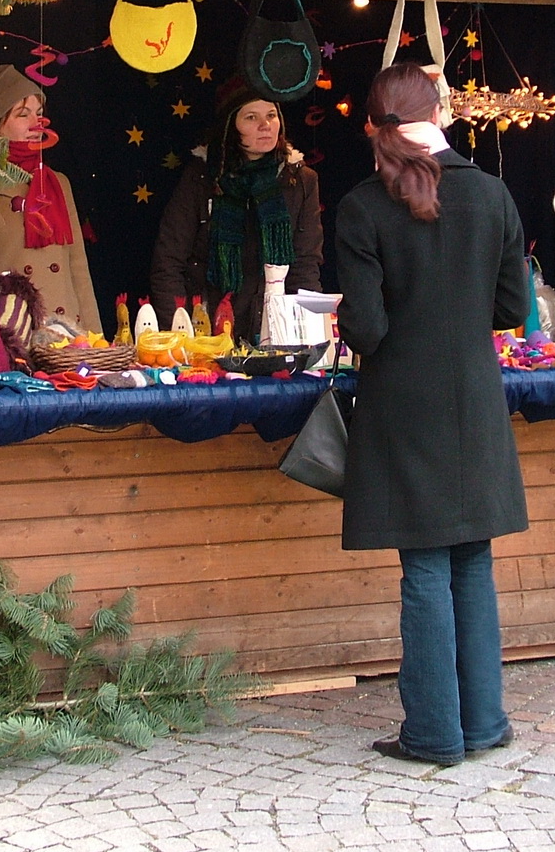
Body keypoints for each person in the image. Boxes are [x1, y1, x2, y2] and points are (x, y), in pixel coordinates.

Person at [333, 62, 530, 766]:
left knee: (423, 565)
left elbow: (369, 328)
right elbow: (511, 310)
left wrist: (345, 319)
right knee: (471, 558)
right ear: (439, 112)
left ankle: (433, 735)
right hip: (474, 396)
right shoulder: (491, 193)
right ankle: (480, 724)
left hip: (400, 401)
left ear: (371, 127)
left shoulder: (360, 206)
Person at [151, 81, 324, 344]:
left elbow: (305, 264)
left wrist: (307, 336)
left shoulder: (300, 180)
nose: (265, 125)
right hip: (206, 330)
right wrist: (182, 335)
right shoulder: (201, 177)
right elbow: (168, 262)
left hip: (273, 329)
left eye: (271, 115)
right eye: (251, 117)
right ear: (231, 125)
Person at [0, 64, 102, 333]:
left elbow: (78, 270)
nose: (36, 124)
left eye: (39, 114)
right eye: (23, 114)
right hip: (9, 339)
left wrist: (95, 340)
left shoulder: (58, 183)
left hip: (66, 338)